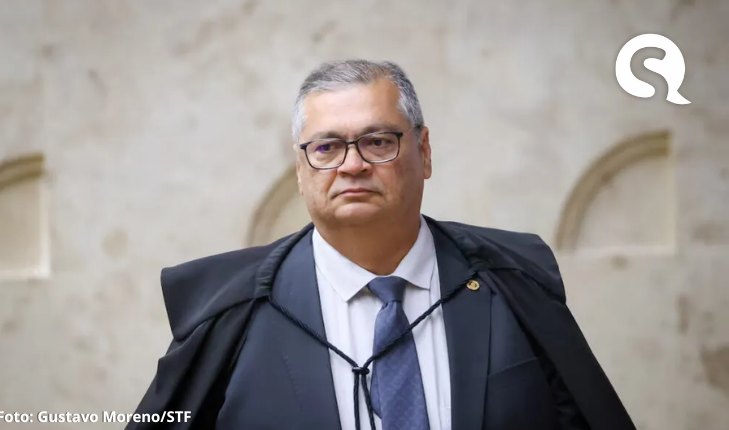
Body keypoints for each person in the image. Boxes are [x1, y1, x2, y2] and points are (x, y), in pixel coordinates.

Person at [126, 59, 637, 430]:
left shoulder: (514, 281)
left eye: (377, 141)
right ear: (301, 170)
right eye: (327, 147)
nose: (352, 164)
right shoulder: (229, 311)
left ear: (424, 152)